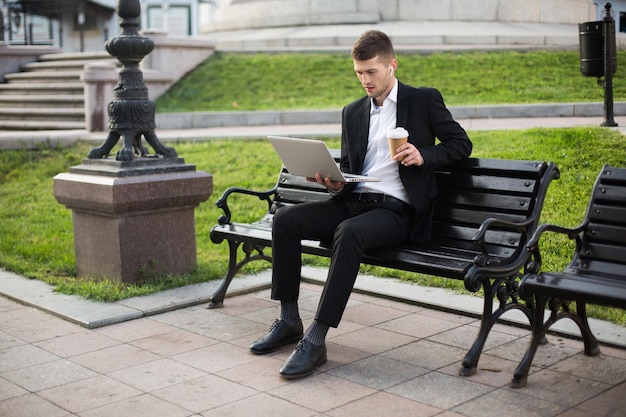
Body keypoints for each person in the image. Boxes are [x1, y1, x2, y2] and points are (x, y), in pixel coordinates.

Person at [250, 29, 473, 379]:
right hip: (353, 201)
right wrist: (335, 182)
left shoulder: (423, 100)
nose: (365, 80)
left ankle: (316, 339)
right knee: (286, 221)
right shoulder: (352, 111)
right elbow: (352, 171)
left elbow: (461, 144)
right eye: (358, 72)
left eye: (371, 71)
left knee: (349, 233)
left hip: (395, 210)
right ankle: (290, 320)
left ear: (392, 65)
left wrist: (424, 154)